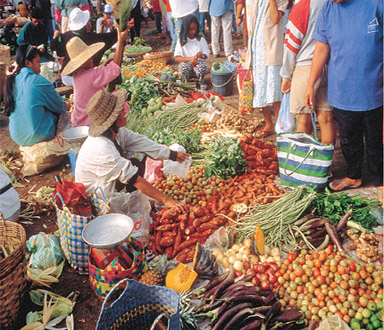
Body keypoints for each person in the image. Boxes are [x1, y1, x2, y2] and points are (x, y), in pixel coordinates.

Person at [305, 0, 383, 191]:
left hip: (375, 88)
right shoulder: (329, 9)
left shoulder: (376, 4)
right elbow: (322, 48)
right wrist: (310, 84)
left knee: (376, 140)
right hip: (342, 89)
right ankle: (353, 176)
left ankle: (381, 181)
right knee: (348, 138)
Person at [75, 89, 190, 214]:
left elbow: (141, 142)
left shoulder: (117, 132)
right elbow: (134, 179)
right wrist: (166, 200)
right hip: (95, 200)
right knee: (132, 170)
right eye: (120, 111)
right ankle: (117, 213)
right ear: (111, 121)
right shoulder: (101, 148)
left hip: (108, 185)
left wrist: (172, 155)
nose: (125, 112)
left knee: (136, 162)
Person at [280, 0, 335, 145]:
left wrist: (286, 75)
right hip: (328, 66)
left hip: (305, 68)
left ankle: (303, 165)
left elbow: (291, 46)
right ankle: (325, 164)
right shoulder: (332, 3)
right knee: (326, 118)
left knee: (302, 119)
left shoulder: (303, 6)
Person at [60, 23, 130, 127]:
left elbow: (95, 73)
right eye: (89, 58)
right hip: (90, 120)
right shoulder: (91, 76)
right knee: (122, 103)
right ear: (83, 62)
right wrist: (120, 41)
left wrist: (105, 64)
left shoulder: (77, 75)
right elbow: (115, 68)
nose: (92, 58)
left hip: (79, 120)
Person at [4, 45, 66, 146]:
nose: (40, 65)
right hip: (39, 135)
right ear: (28, 63)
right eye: (38, 62)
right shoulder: (38, 81)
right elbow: (60, 107)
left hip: (17, 136)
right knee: (63, 116)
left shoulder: (13, 80)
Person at [247, 0, 287, 138]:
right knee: (260, 87)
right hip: (257, 47)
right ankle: (269, 124)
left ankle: (280, 125)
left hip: (271, 47)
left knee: (274, 87)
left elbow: (276, 18)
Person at [51, 8, 119, 86]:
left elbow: (58, 51)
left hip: (66, 77)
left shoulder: (64, 36)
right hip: (79, 79)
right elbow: (109, 38)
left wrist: (55, 36)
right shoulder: (91, 37)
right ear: (85, 23)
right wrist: (119, 30)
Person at [174, 14, 209, 88]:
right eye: (191, 29)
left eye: (195, 29)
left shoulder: (201, 39)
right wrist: (189, 59)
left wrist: (202, 55)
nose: (193, 31)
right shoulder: (181, 40)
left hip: (198, 67)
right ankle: (187, 81)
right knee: (183, 66)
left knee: (202, 67)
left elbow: (206, 53)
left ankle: (200, 80)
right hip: (187, 67)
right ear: (186, 28)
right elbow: (177, 58)